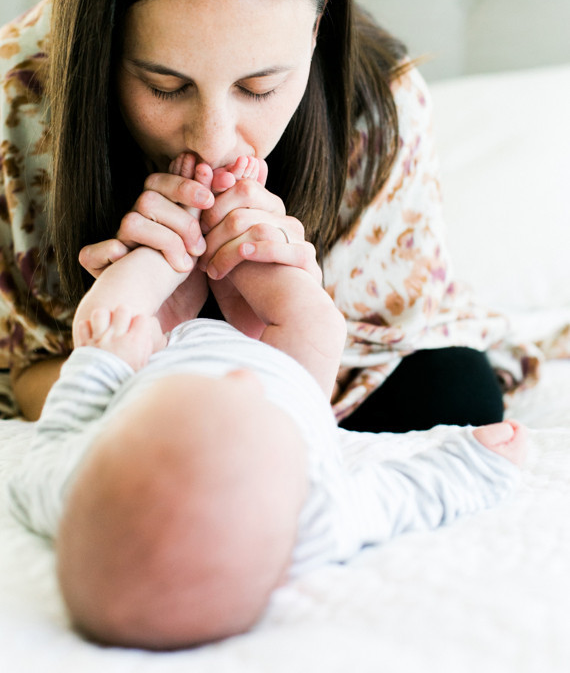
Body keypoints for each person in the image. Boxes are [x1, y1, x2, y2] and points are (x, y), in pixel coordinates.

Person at [0, 0, 529, 427]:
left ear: (318, 21)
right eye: (165, 87)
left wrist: (295, 315)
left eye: (259, 88)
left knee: (456, 391)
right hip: (107, 368)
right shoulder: (21, 97)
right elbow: (23, 374)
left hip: (332, 373)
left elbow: (381, 342)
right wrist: (122, 337)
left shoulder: (380, 108)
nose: (215, 140)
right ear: (101, 39)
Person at [8, 156, 527, 649]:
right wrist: (477, 462)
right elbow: (403, 495)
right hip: (288, 363)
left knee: (106, 318)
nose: (238, 378)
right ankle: (244, 220)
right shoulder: (311, 518)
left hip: (155, 352)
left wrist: (107, 360)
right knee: (317, 323)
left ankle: (177, 235)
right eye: (246, 405)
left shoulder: (67, 490)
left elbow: (61, 428)